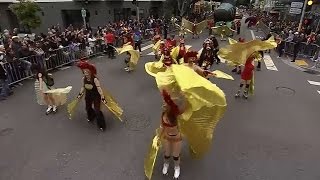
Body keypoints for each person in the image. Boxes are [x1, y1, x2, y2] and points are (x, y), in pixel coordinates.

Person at [76, 61, 107, 131]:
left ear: (90, 71)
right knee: (88, 108)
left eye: (87, 72)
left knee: (97, 110)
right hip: (88, 95)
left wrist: (102, 97)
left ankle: (101, 125)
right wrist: (80, 94)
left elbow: (99, 88)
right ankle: (91, 116)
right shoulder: (84, 79)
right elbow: (83, 87)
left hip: (96, 95)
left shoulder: (95, 79)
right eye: (84, 72)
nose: (86, 74)